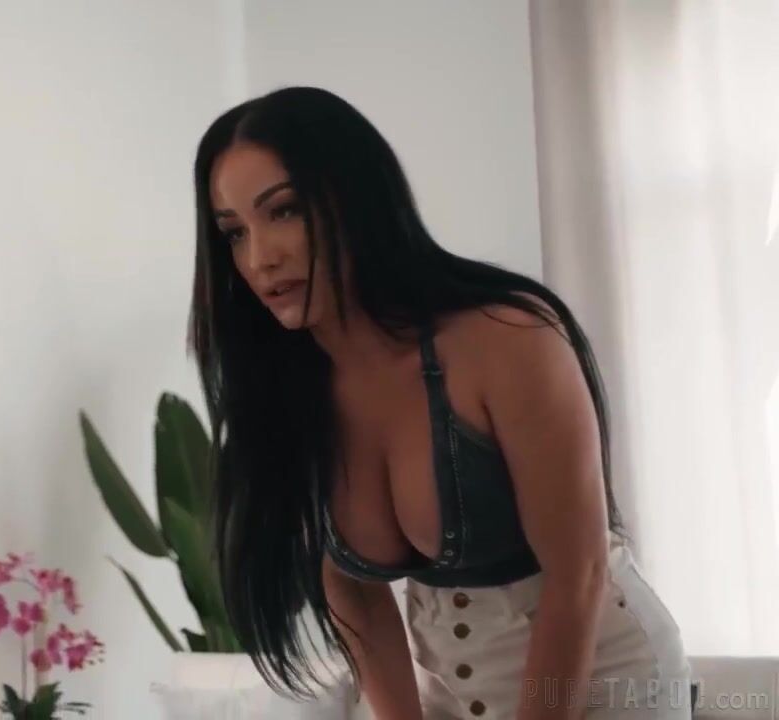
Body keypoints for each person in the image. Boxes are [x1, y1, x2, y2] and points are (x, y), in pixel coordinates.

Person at [189, 87, 690, 719]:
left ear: (357, 200)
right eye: (234, 232)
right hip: (454, 693)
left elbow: (578, 574)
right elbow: (355, 594)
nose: (261, 257)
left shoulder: (506, 339)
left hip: (605, 678)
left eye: (285, 211)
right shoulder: (290, 389)